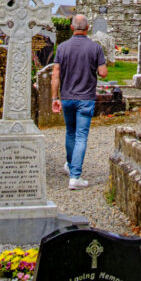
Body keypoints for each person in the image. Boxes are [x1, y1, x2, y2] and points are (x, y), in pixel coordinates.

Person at [51, 13, 107, 189]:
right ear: (88, 28)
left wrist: (54, 98)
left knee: (70, 132)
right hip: (85, 98)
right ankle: (75, 176)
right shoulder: (95, 48)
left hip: (67, 97)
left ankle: (70, 165)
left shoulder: (62, 47)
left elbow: (55, 74)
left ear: (72, 27)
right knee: (81, 136)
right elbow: (103, 73)